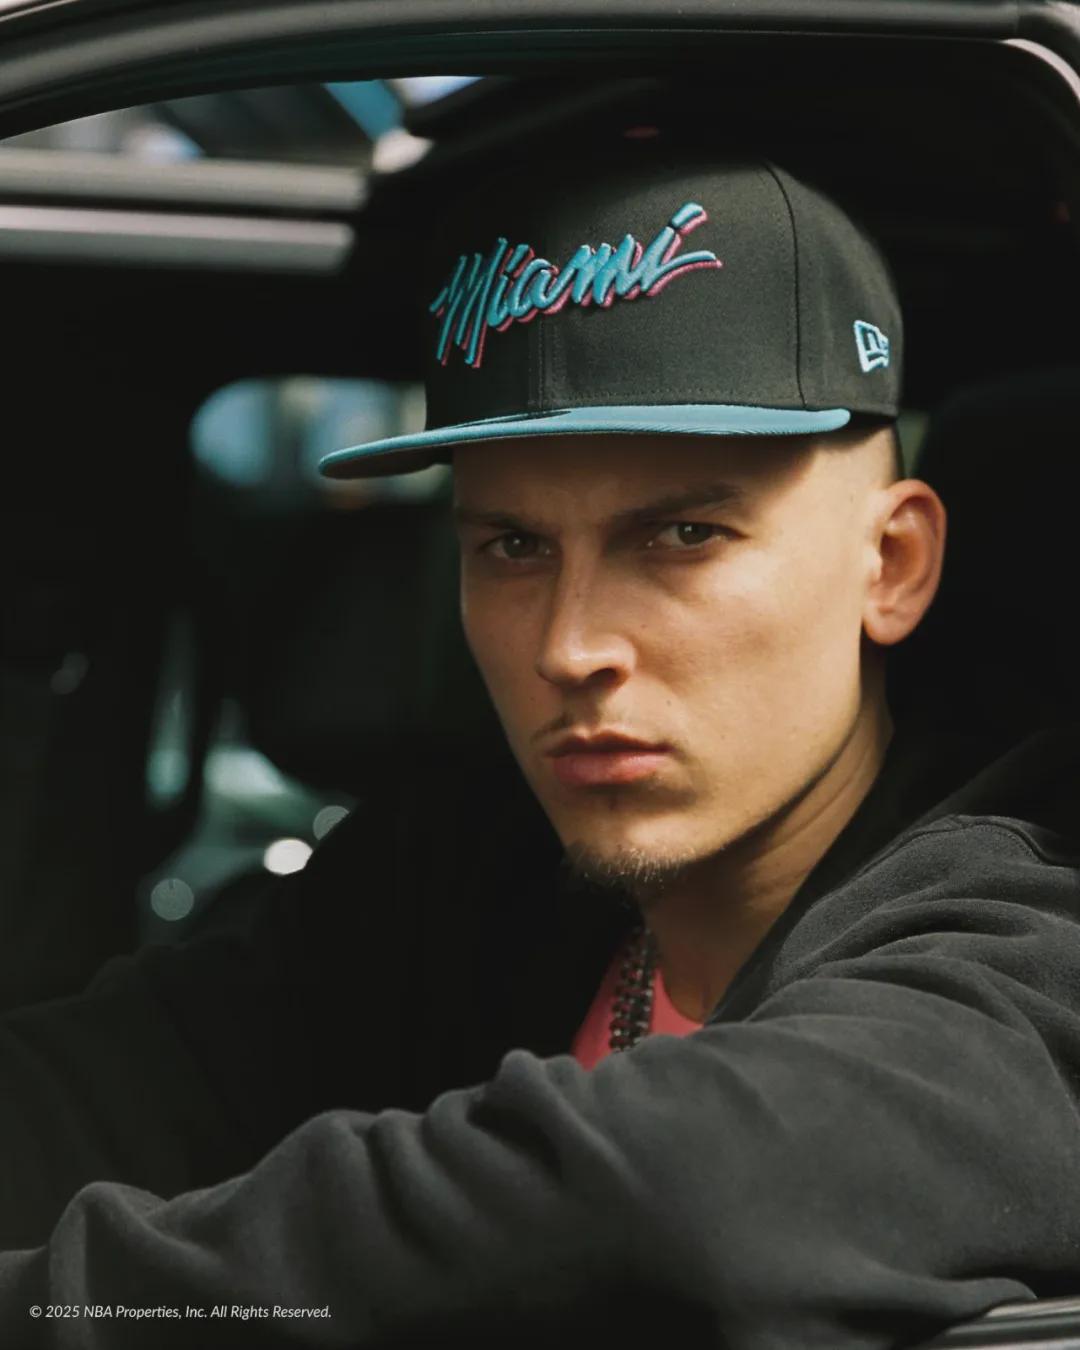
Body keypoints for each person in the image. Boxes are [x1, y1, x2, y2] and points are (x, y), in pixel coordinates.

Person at [3, 138, 1080, 1348]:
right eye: (512, 546)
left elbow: (685, 1207)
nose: (569, 646)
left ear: (891, 565)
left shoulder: (1034, 930)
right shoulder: (467, 868)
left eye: (681, 535)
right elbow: (103, 1085)